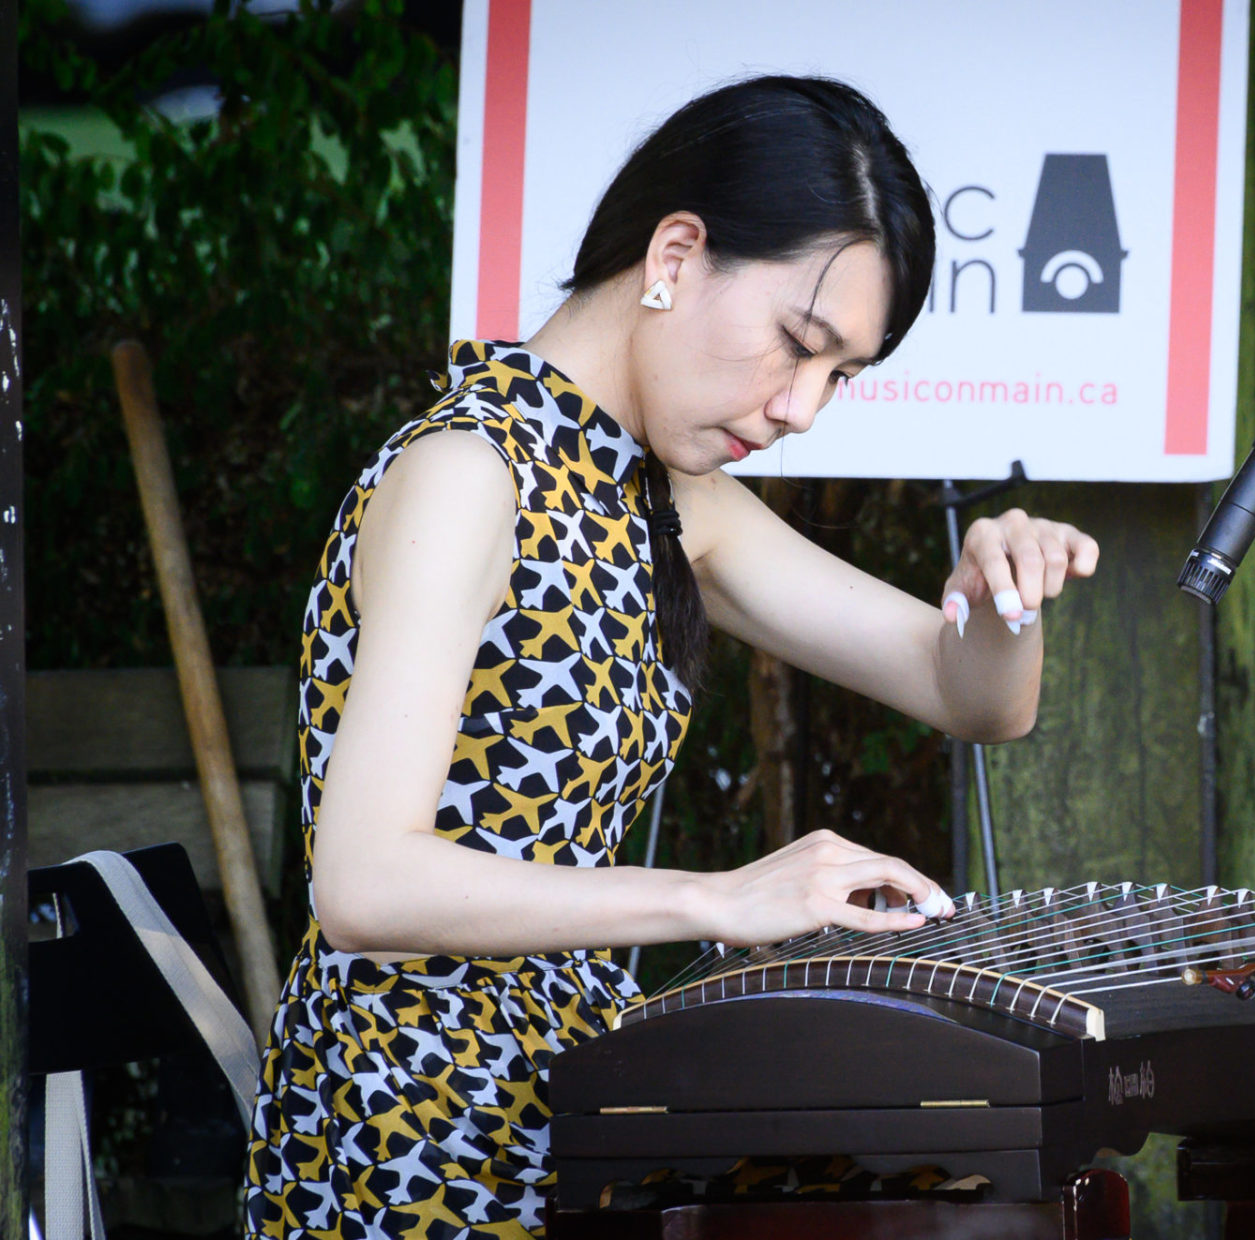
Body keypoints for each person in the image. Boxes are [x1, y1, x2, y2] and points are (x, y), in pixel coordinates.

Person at [242, 75, 1099, 1237]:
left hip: (582, 1103)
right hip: (419, 1131)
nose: (803, 408)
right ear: (677, 255)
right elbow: (361, 885)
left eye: (840, 375)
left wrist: (1004, 590)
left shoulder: (666, 501)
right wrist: (720, 896)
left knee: (996, 1184)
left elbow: (968, 694)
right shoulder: (467, 474)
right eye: (799, 346)